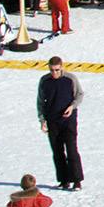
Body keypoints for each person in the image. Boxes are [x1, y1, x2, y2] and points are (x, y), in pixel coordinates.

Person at [35, 57, 84, 190]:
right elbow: (40, 102)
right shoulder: (44, 80)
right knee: (57, 151)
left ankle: (77, 180)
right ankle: (63, 180)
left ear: (62, 67)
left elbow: (79, 95)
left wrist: (72, 107)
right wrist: (42, 120)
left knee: (72, 150)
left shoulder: (70, 79)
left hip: (68, 120)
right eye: (52, 70)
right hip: (52, 120)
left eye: (57, 70)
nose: (54, 73)